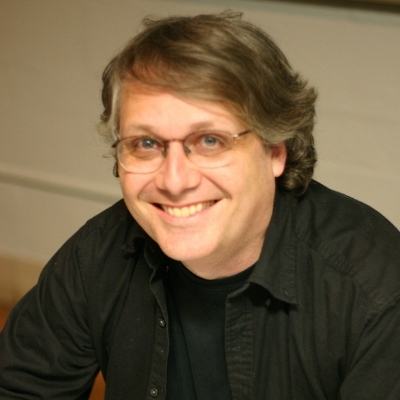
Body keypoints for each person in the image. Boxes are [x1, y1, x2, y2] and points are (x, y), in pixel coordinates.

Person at [0, 11, 399, 400]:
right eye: (146, 143)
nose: (174, 181)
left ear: (276, 151)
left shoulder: (374, 290)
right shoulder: (95, 258)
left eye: (210, 141)